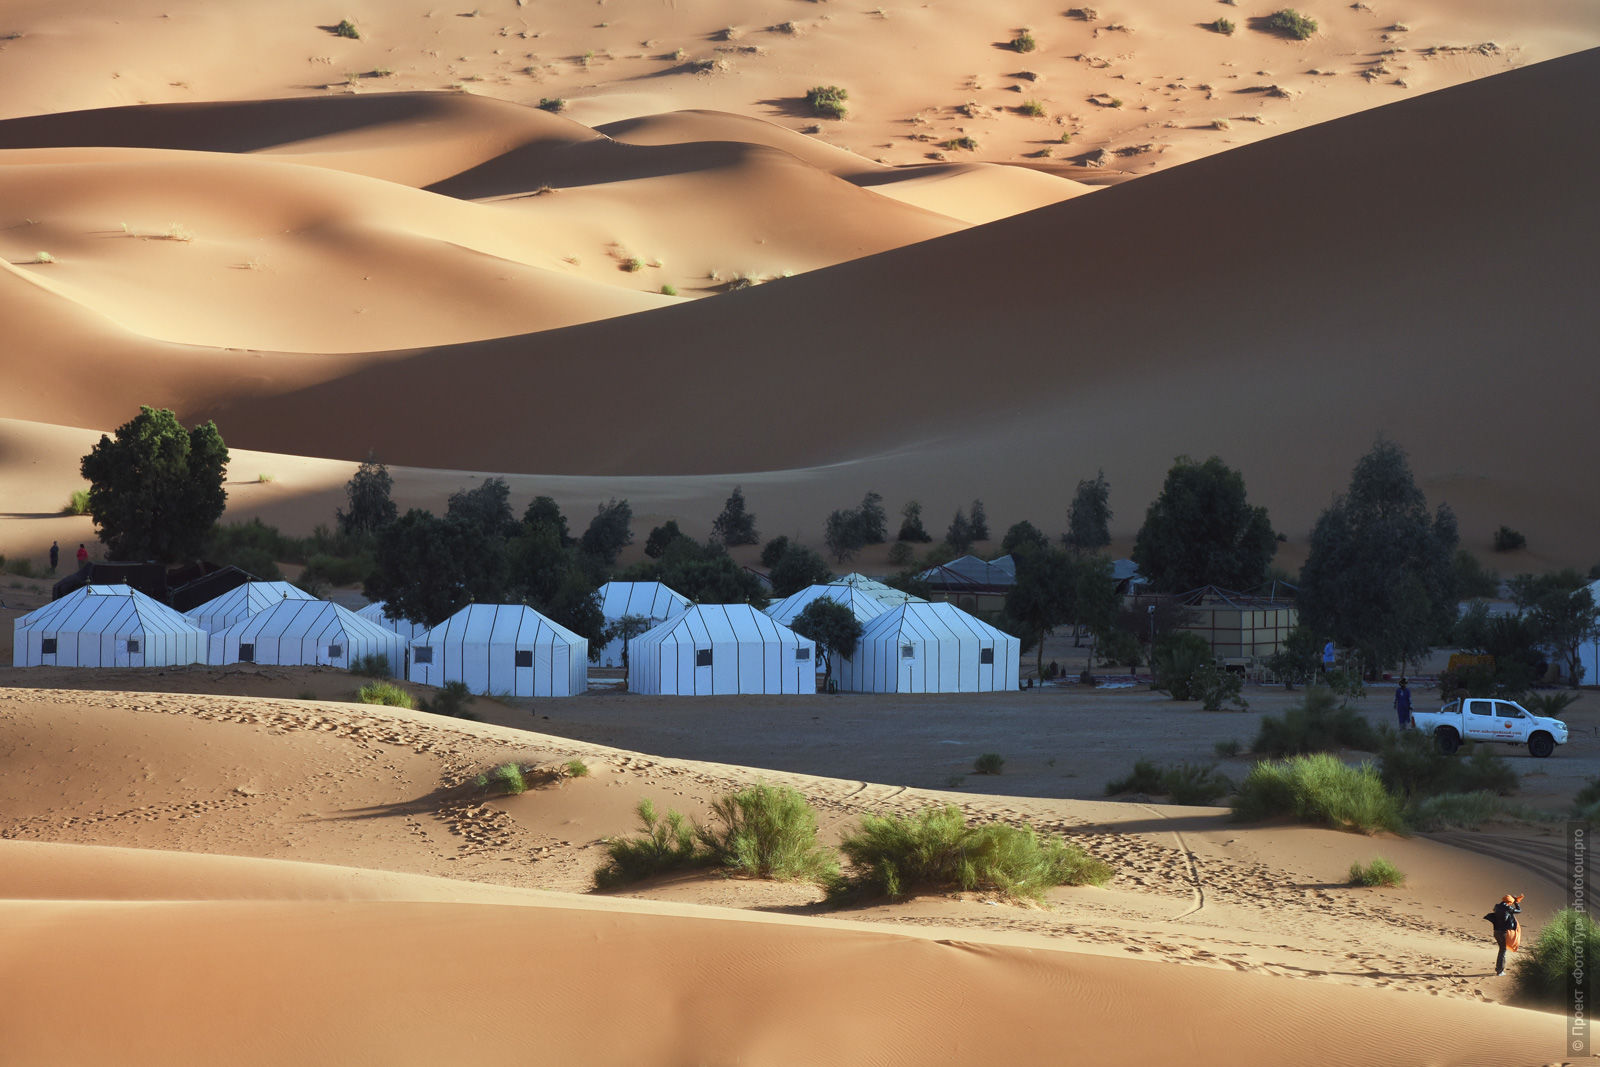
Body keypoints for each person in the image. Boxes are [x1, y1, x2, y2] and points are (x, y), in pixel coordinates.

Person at [1485, 893, 1523, 976]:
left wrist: (1513, 901)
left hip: (1496, 932)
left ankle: (1498, 968)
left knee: (1501, 949)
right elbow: (1519, 910)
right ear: (1509, 902)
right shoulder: (1508, 908)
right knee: (1503, 951)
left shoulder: (1497, 906)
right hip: (1503, 932)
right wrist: (1516, 903)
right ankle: (1500, 970)